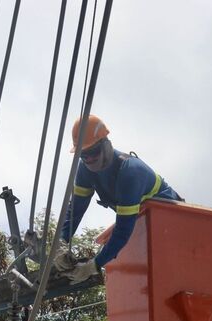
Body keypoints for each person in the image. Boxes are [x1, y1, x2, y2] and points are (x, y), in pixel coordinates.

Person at [55, 115, 183, 283]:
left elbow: (123, 229)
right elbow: (75, 211)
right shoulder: (85, 170)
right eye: (84, 156)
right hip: (142, 223)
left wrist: (94, 265)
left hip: (171, 220)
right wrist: (61, 243)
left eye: (93, 153)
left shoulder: (130, 172)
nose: (89, 160)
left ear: (106, 144)